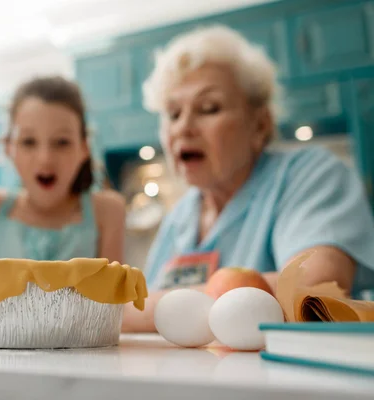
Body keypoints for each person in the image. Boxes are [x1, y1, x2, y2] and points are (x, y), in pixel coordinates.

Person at [122, 25, 374, 332]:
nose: (183, 128)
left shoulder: (312, 175)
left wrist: (131, 312)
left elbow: (309, 292)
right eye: (173, 114)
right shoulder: (180, 217)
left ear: (259, 125)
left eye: (208, 108)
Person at [0, 76, 126, 262]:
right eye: (29, 142)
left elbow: (115, 289)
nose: (45, 159)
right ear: (9, 147)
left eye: (62, 142)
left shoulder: (108, 211)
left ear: (84, 148)